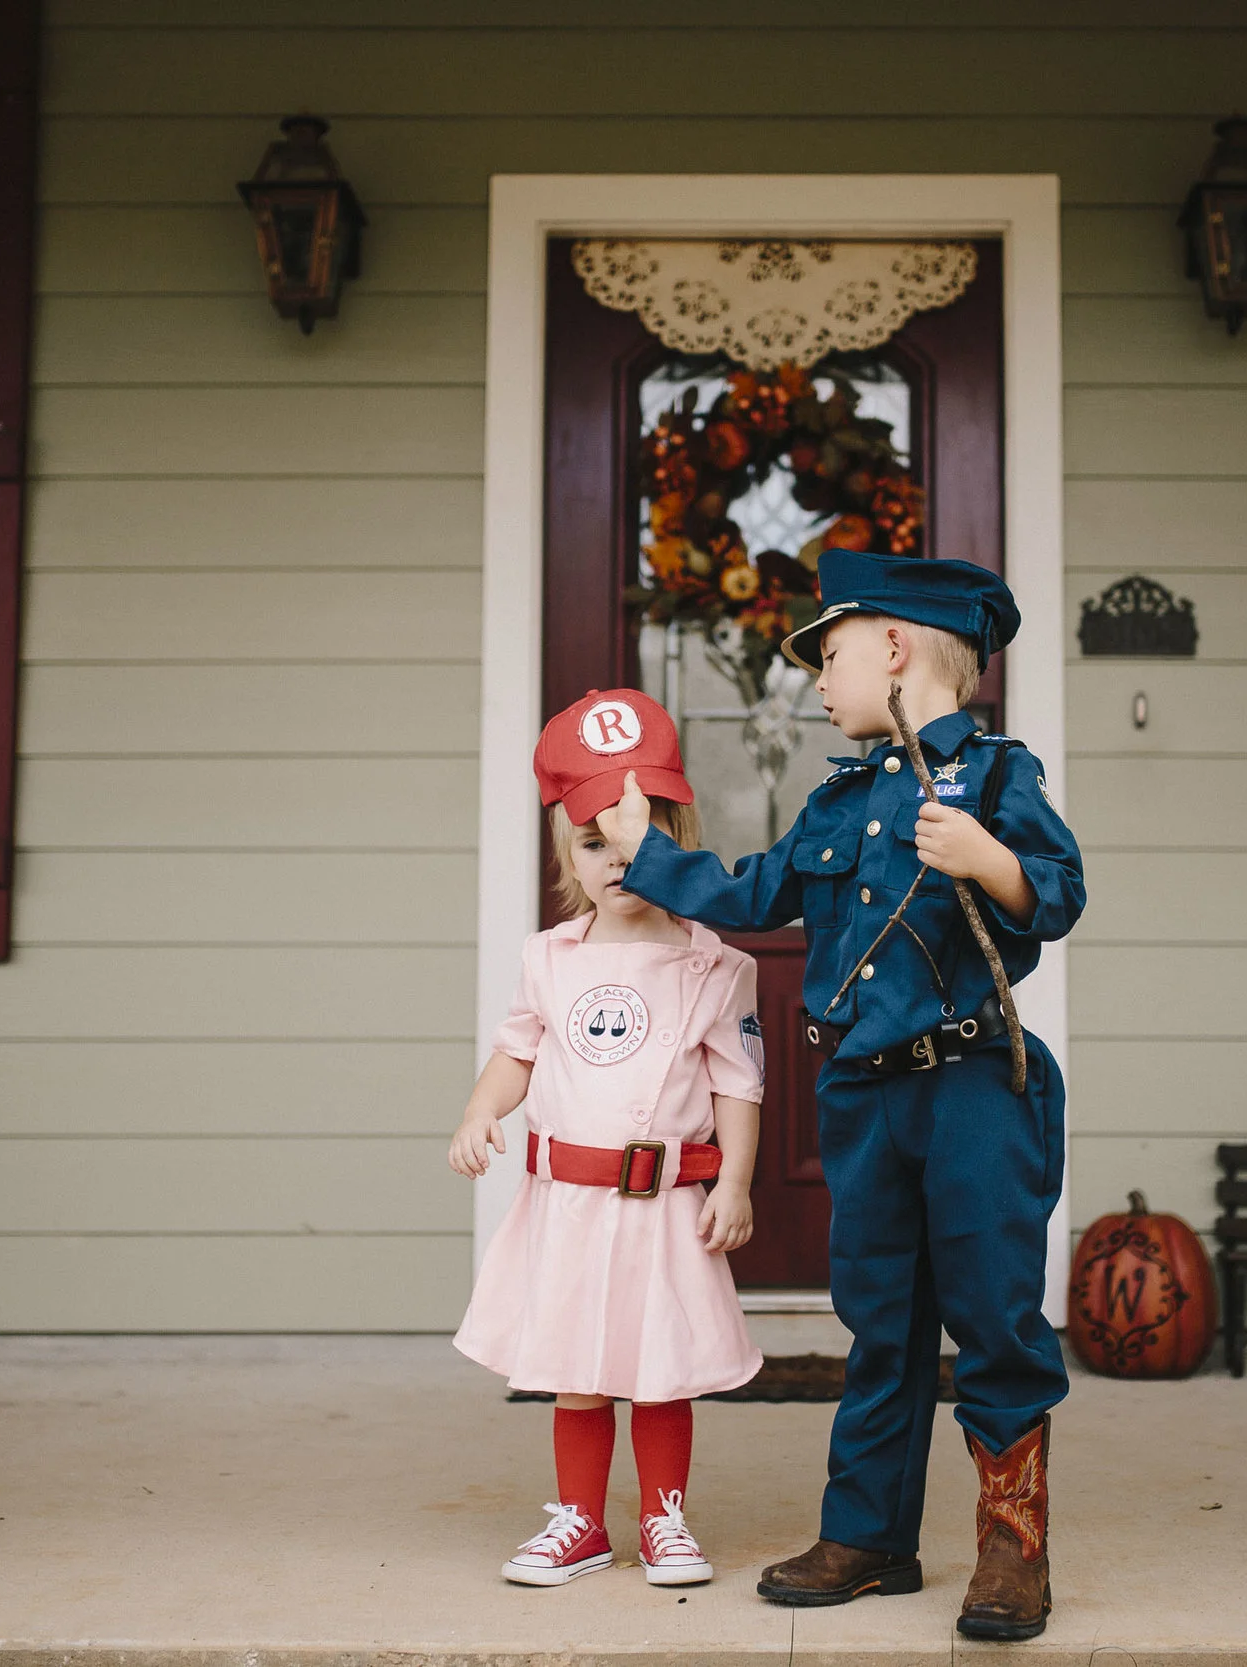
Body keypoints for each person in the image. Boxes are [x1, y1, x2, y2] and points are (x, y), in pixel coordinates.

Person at [603, 551, 1085, 1642]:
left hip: (975, 1090)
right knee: (881, 1320)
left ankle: (1013, 1546)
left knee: (995, 1317)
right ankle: (869, 1535)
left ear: (896, 646)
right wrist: (643, 854)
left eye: (830, 655)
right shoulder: (838, 797)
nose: (817, 680)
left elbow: (1057, 896)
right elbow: (755, 891)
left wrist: (987, 857)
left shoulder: (996, 778)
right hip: (865, 1099)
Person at [450, 687, 765, 1589]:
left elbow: (738, 1083)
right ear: (569, 856)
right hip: (569, 1206)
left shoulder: (713, 963)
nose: (616, 857)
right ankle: (580, 1522)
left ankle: (663, 1516)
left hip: (663, 1204)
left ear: (675, 838)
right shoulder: (550, 958)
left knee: (661, 1367)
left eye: (634, 835)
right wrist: (480, 1109)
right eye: (594, 843)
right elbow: (517, 1052)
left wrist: (734, 1182)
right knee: (576, 1368)